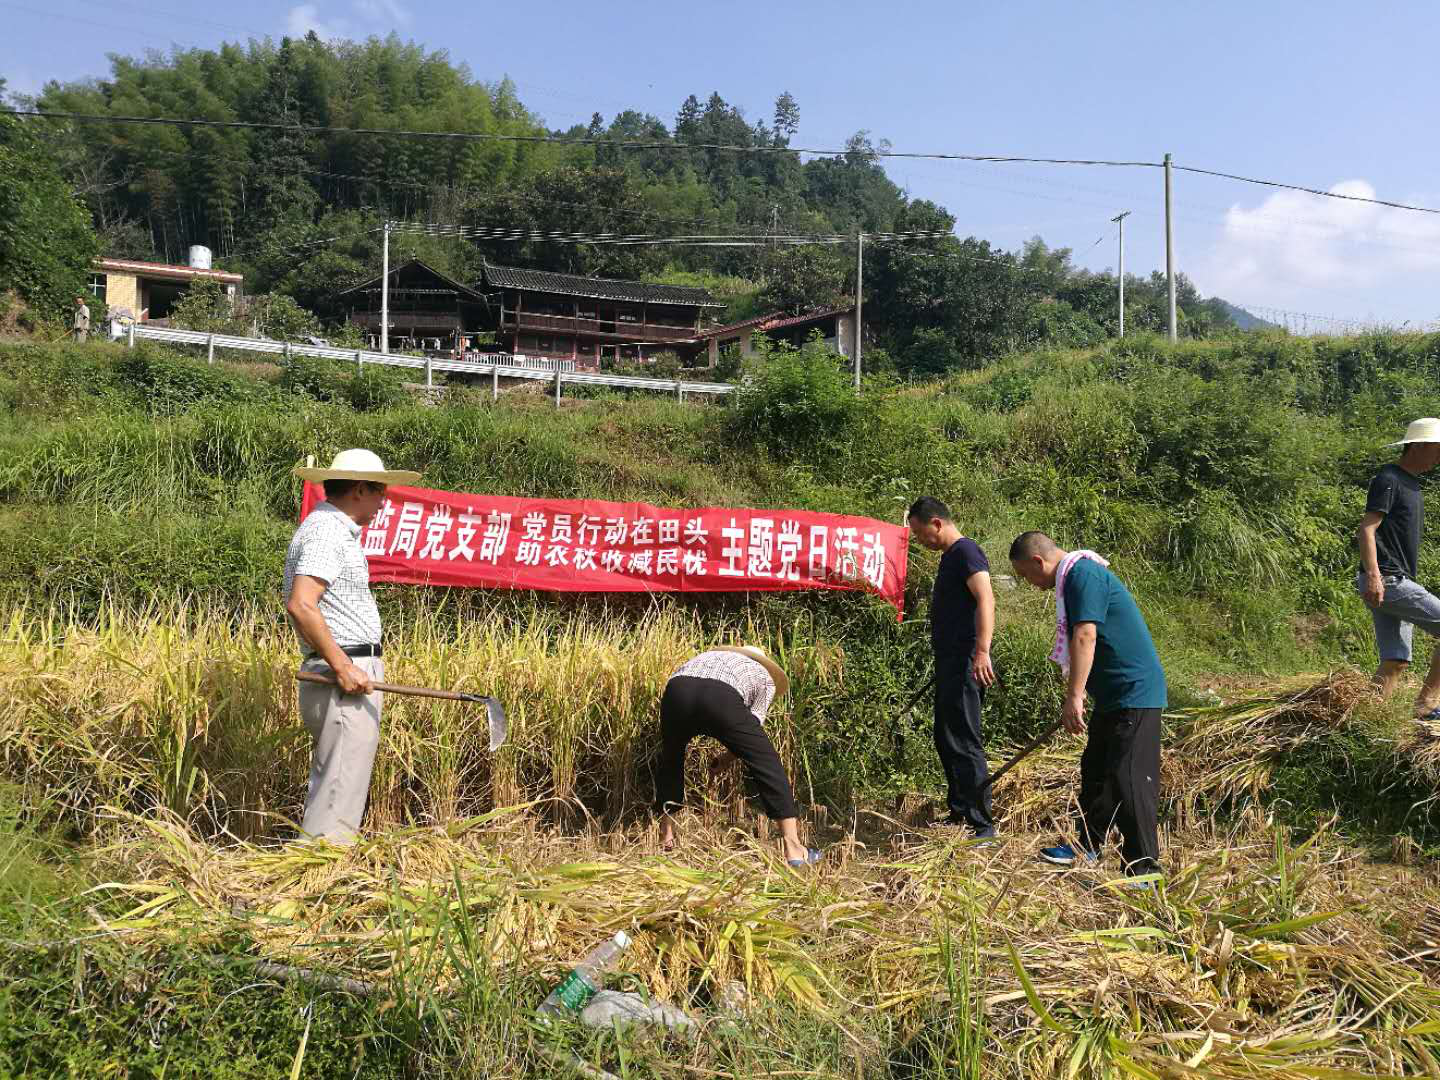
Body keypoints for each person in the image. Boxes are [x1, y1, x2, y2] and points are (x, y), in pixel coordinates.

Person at [1009, 532, 1166, 877]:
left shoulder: (1082, 574)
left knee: (1130, 778)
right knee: (1096, 772)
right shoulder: (1075, 577)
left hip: (1135, 691)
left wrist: (1074, 696)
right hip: (1113, 695)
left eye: (1026, 575)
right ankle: (1086, 848)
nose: (1031, 584)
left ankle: (1144, 867)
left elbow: (1085, 635)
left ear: (1038, 561)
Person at [284, 449, 421, 842]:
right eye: (381, 492)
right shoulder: (327, 532)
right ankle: (315, 883)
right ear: (360, 489)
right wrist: (343, 667)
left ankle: (317, 877)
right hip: (342, 677)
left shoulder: (330, 530)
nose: (385, 502)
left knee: (339, 785)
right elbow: (301, 603)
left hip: (343, 671)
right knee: (338, 793)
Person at [655, 646, 822, 867]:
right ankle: (794, 849)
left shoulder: (707, 657)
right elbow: (750, 734)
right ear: (763, 662)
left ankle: (666, 837)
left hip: (677, 690)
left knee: (671, 760)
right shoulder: (764, 676)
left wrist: (724, 760)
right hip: (721, 696)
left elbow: (694, 689)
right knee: (767, 763)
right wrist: (728, 758)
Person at [906, 496, 997, 837]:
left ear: (937, 523)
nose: (919, 541)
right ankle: (959, 809)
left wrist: (982, 652)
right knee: (946, 736)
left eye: (920, 533)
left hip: (966, 662)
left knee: (964, 738)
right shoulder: (950, 557)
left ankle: (981, 821)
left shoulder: (966, 552)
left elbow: (986, 599)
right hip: (950, 662)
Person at [1356, 418, 1440, 717]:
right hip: (1388, 580)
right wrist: (1374, 577)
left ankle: (1368, 718)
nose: (1439, 457)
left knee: (1396, 659)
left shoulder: (1413, 484)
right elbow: (1367, 529)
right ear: (1417, 446)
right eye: (1437, 449)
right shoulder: (1389, 478)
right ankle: (1425, 704)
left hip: (1391, 579)